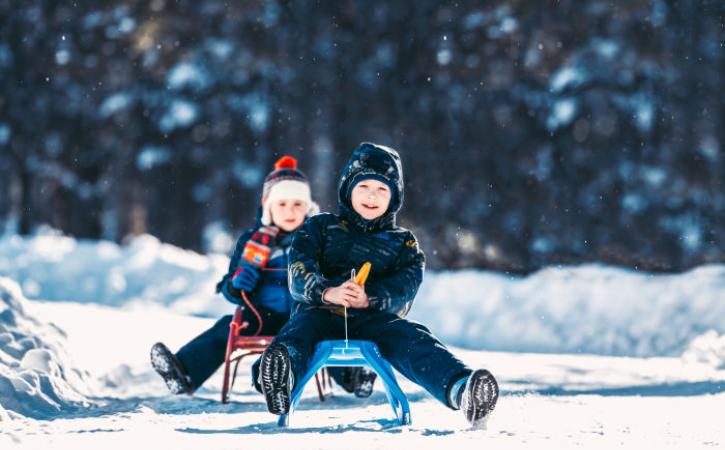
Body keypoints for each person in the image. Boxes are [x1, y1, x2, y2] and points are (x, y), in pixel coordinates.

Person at [258, 143, 499, 426]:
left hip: (374, 319)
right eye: (364, 186)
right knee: (297, 333)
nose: (372, 196)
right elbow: (298, 270)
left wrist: (370, 298)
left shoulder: (402, 242)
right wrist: (327, 291)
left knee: (412, 337)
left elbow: (406, 286)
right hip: (318, 312)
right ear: (348, 188)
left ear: (394, 197)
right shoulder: (319, 227)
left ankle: (460, 389)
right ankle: (281, 375)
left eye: (382, 189)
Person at [149, 155, 320, 394]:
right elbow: (230, 288)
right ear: (269, 207)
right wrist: (237, 285)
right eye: (282, 204)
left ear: (308, 208)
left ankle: (353, 376)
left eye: (297, 204)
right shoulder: (252, 242)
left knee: (329, 329)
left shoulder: (317, 239)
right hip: (262, 316)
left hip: (305, 315)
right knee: (229, 326)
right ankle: (183, 372)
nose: (290, 211)